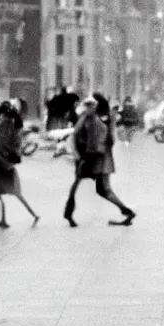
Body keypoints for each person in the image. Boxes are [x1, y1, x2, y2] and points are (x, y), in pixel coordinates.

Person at [64, 95, 136, 227]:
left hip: (97, 159)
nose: (89, 108)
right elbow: (77, 136)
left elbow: (98, 139)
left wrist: (82, 156)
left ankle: (126, 211)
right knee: (86, 187)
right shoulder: (94, 118)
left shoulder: (98, 120)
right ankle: (69, 214)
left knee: (102, 189)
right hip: (93, 158)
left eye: (91, 105)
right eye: (88, 105)